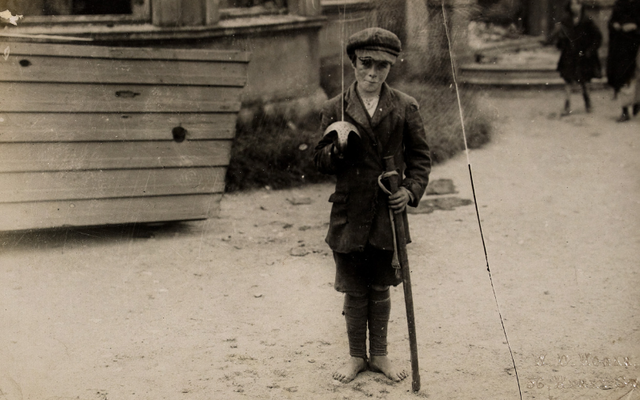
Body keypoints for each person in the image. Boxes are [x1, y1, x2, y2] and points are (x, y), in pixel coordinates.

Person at [314, 28, 431, 384]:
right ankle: (355, 357)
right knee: (353, 286)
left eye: (382, 66)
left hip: (386, 212)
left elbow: (421, 159)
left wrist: (409, 192)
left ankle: (378, 354)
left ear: (391, 67)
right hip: (349, 211)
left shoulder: (405, 106)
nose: (373, 73)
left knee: (380, 285)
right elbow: (320, 161)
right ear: (353, 62)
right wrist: (335, 151)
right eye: (366, 63)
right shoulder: (334, 107)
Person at [555, 0, 603, 116]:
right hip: (569, 55)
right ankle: (567, 105)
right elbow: (560, 40)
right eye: (572, 4)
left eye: (577, 4)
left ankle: (587, 101)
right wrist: (561, 41)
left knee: (584, 81)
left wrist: (590, 51)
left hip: (583, 55)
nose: (574, 7)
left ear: (582, 6)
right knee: (567, 80)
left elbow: (598, 37)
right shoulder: (565, 21)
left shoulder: (587, 21)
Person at [607, 0, 640, 122]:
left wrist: (635, 26)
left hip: (637, 45)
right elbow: (611, 22)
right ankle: (624, 110)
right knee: (624, 76)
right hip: (622, 46)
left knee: (637, 77)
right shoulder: (619, 4)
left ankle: (637, 103)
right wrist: (615, 25)